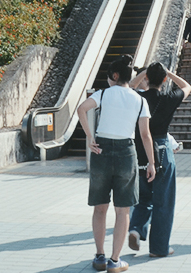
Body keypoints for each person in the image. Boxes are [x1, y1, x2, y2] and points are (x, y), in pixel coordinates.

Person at [75, 55, 156, 273]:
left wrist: (90, 136)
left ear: (115, 75)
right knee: (123, 210)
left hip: (101, 150)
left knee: (100, 208)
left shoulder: (103, 94)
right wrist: (151, 162)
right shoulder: (140, 100)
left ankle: (100, 256)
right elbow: (145, 134)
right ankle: (114, 260)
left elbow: (81, 109)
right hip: (126, 152)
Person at [127, 64, 191, 259]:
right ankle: (159, 248)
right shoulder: (168, 99)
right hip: (162, 150)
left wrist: (143, 74)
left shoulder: (137, 98)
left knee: (142, 197)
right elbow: (187, 86)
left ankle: (136, 229)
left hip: (139, 151)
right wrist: (169, 73)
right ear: (164, 80)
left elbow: (128, 86)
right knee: (163, 201)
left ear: (146, 79)